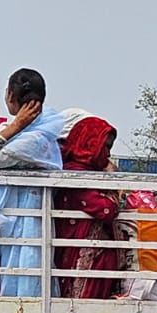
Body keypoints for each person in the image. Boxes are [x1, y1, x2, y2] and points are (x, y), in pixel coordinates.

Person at [0, 69, 64, 297]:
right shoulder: (35, 134)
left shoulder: (35, 138)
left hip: (25, 219)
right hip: (10, 218)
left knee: (25, 274)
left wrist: (16, 126)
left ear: (10, 96)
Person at [55, 115, 122, 299]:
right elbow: (107, 210)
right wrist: (114, 187)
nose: (108, 155)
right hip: (80, 261)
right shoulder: (75, 176)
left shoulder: (88, 174)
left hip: (91, 262)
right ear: (91, 143)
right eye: (105, 147)